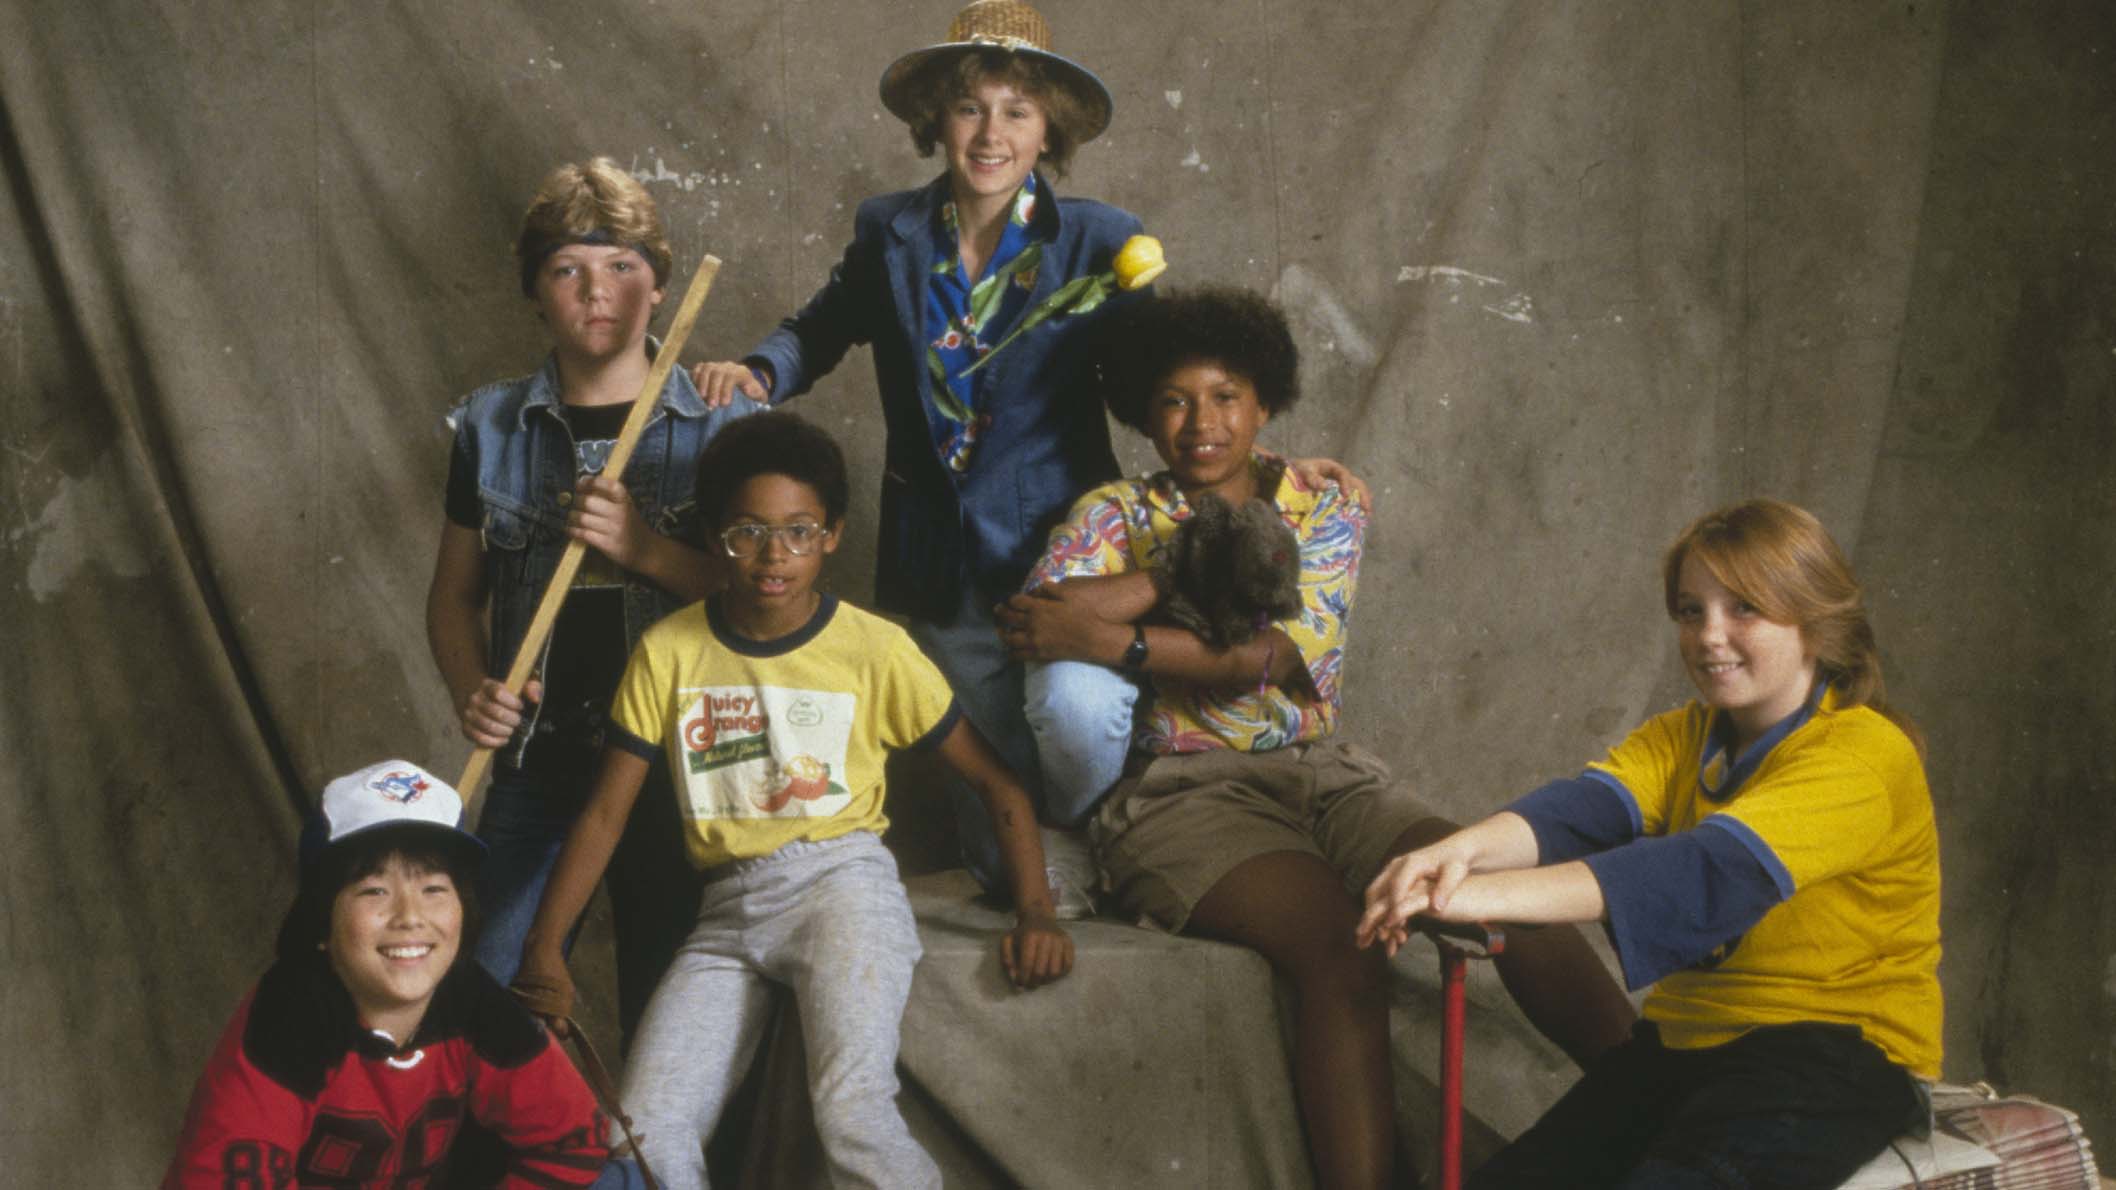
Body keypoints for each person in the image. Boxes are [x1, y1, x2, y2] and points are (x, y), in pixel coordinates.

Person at [688, 1, 1364, 903]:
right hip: (936, 556)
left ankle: (1121, 859)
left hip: (1069, 550)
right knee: (988, 776)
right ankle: (1040, 884)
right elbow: (822, 327)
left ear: (1050, 127)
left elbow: (1171, 380)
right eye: (971, 108)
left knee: (1078, 727)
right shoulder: (887, 230)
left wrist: (1273, 461)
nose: (991, 133)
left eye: (1016, 110)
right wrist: (761, 373)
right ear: (938, 120)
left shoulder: (1103, 241)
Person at [997, 287, 1635, 1190]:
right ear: (1144, 410)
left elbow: (1281, 659)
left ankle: (1665, 1106)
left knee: (1485, 882)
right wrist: (1184, 567)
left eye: (1226, 397)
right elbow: (1038, 619)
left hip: (1323, 772)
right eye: (1175, 400)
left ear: (1266, 404)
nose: (1202, 424)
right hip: (1180, 795)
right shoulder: (1116, 512)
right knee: (1341, 948)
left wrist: (1124, 640)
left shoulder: (1320, 502)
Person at [511, 410, 1072, 1189]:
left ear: (832, 536)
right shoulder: (670, 650)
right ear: (713, 537)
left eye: (800, 532)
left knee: (852, 1114)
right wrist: (543, 945)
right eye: (747, 532)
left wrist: (1036, 909)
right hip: (726, 912)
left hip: (840, 886)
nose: (774, 556)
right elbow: (604, 815)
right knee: (643, 1133)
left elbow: (996, 781)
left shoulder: (873, 648)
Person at [1359, 498, 1940, 1190]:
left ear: (1814, 620)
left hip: (1833, 1054)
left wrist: (1469, 895)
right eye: (1691, 611)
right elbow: (1579, 811)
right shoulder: (1687, 734)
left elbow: (1701, 872)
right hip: (1689, 1045)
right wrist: (1450, 855)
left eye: (1744, 608)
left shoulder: (1864, 752)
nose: (1708, 636)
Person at [425, 157, 761, 1042]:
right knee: (489, 1005)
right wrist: (475, 691)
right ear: (536, 291)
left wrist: (645, 549)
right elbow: (453, 600)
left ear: (660, 284)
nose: (595, 292)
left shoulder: (724, 425)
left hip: (680, 767)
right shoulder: (491, 427)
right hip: (541, 762)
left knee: (676, 1025)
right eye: (567, 269)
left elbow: (764, 600)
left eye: (620, 268)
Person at [163, 761, 614, 1188]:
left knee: (619, 1182)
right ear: (322, 924)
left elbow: (575, 1138)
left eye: (434, 888)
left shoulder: (472, 999)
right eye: (374, 890)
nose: (409, 916)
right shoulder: (289, 1020)